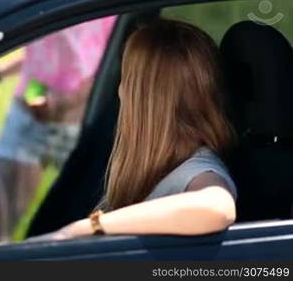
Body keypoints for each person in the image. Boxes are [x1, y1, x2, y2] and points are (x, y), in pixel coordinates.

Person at [30, 19, 238, 241]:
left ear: (145, 98)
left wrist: (84, 228)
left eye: (125, 79)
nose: (119, 91)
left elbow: (217, 207)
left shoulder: (197, 171)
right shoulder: (162, 166)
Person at [0, 16, 116, 241]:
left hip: (80, 123)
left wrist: (66, 102)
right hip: (31, 111)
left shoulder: (104, 2)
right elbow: (40, 53)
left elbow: (111, 58)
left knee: (78, 228)